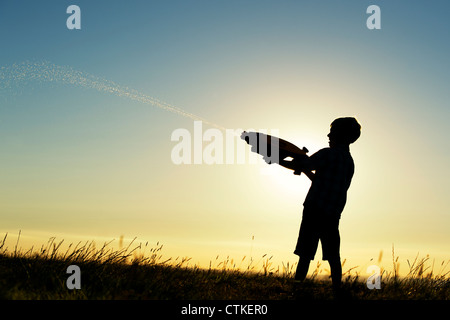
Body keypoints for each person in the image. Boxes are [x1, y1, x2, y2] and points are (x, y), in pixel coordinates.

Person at [278, 117, 361, 294]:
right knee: (333, 255)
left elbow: (301, 163)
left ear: (343, 135)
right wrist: (304, 166)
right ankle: (337, 290)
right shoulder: (349, 162)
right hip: (332, 214)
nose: (329, 135)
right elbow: (321, 180)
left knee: (305, 253)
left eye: (333, 132)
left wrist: (278, 160)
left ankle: (297, 287)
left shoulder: (327, 154)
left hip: (314, 210)